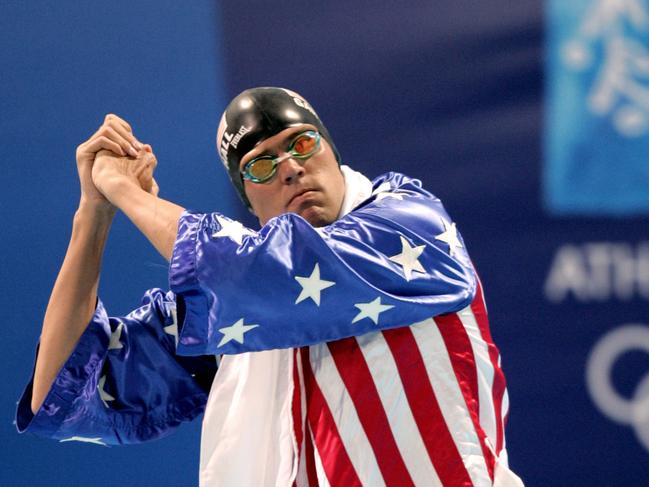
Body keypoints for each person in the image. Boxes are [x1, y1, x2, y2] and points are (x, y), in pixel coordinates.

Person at [17, 87, 523, 486]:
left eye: (303, 143)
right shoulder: (232, 315)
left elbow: (261, 272)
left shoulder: (409, 224)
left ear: (330, 149)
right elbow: (66, 390)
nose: (291, 167)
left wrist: (125, 190)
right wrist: (94, 213)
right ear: (248, 200)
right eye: (261, 164)